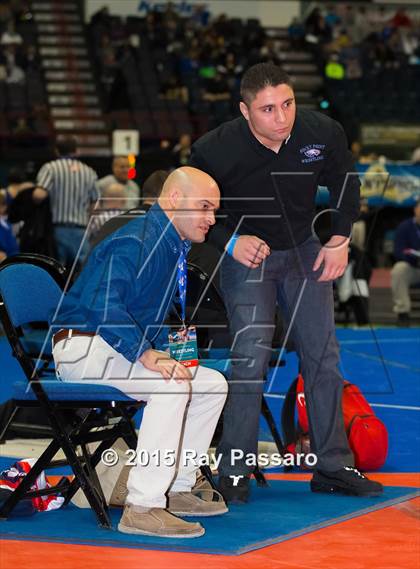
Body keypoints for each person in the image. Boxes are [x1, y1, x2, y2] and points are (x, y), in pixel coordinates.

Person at [189, 62, 383, 502]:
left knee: (323, 358)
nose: (282, 118)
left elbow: (346, 186)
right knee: (249, 360)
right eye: (268, 109)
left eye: (288, 104)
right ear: (245, 111)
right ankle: (233, 472)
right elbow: (194, 206)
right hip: (248, 255)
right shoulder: (214, 150)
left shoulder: (322, 132)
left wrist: (337, 239)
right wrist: (229, 240)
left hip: (302, 248)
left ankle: (332, 466)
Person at [50, 167, 228, 538]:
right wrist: (145, 353)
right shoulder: (136, 240)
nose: (212, 218)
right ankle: (143, 505)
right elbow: (103, 305)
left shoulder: (167, 244)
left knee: (211, 383)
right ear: (175, 199)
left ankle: (177, 488)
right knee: (171, 386)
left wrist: (162, 350)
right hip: (83, 347)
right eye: (205, 207)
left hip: (109, 347)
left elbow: (139, 316)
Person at [33, 136, 99, 267]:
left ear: (56, 151)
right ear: (76, 151)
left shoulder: (50, 168)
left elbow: (39, 195)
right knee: (84, 271)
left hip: (58, 229)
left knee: (57, 270)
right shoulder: (89, 171)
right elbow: (95, 204)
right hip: (81, 229)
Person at [391, 199, 420, 326]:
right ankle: (403, 312)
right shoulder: (405, 227)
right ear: (415, 210)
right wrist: (412, 257)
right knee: (399, 269)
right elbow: (398, 252)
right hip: (413, 267)